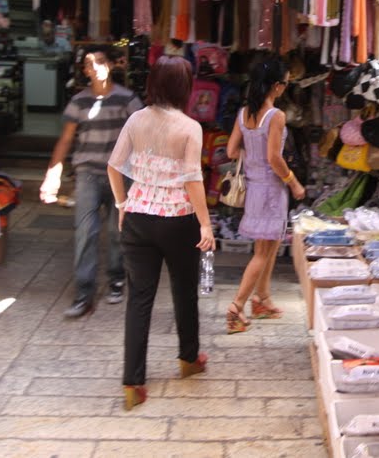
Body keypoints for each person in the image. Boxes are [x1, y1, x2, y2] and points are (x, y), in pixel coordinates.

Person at [106, 56, 216, 411]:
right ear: (185, 88)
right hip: (178, 219)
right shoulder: (189, 127)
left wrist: (122, 204)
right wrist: (205, 223)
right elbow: (192, 179)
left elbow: (113, 165)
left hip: (138, 217)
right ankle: (188, 359)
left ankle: (133, 383)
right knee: (184, 292)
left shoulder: (136, 119)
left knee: (139, 299)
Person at [40, 46, 143, 318]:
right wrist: (53, 174)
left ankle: (117, 279)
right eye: (89, 63)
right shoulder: (79, 102)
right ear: (85, 70)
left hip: (120, 174)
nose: (95, 67)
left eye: (100, 61)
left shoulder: (128, 99)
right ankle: (84, 292)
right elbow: (66, 140)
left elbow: (142, 135)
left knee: (118, 230)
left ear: (111, 65)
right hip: (87, 173)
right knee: (86, 231)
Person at [225, 57, 306, 334]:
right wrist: (293, 182)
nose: (285, 88)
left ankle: (262, 300)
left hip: (253, 187)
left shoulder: (244, 113)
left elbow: (231, 151)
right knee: (262, 252)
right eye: (285, 83)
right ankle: (237, 307)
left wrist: (252, 152)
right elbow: (275, 157)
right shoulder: (276, 116)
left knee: (269, 247)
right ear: (275, 86)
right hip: (272, 189)